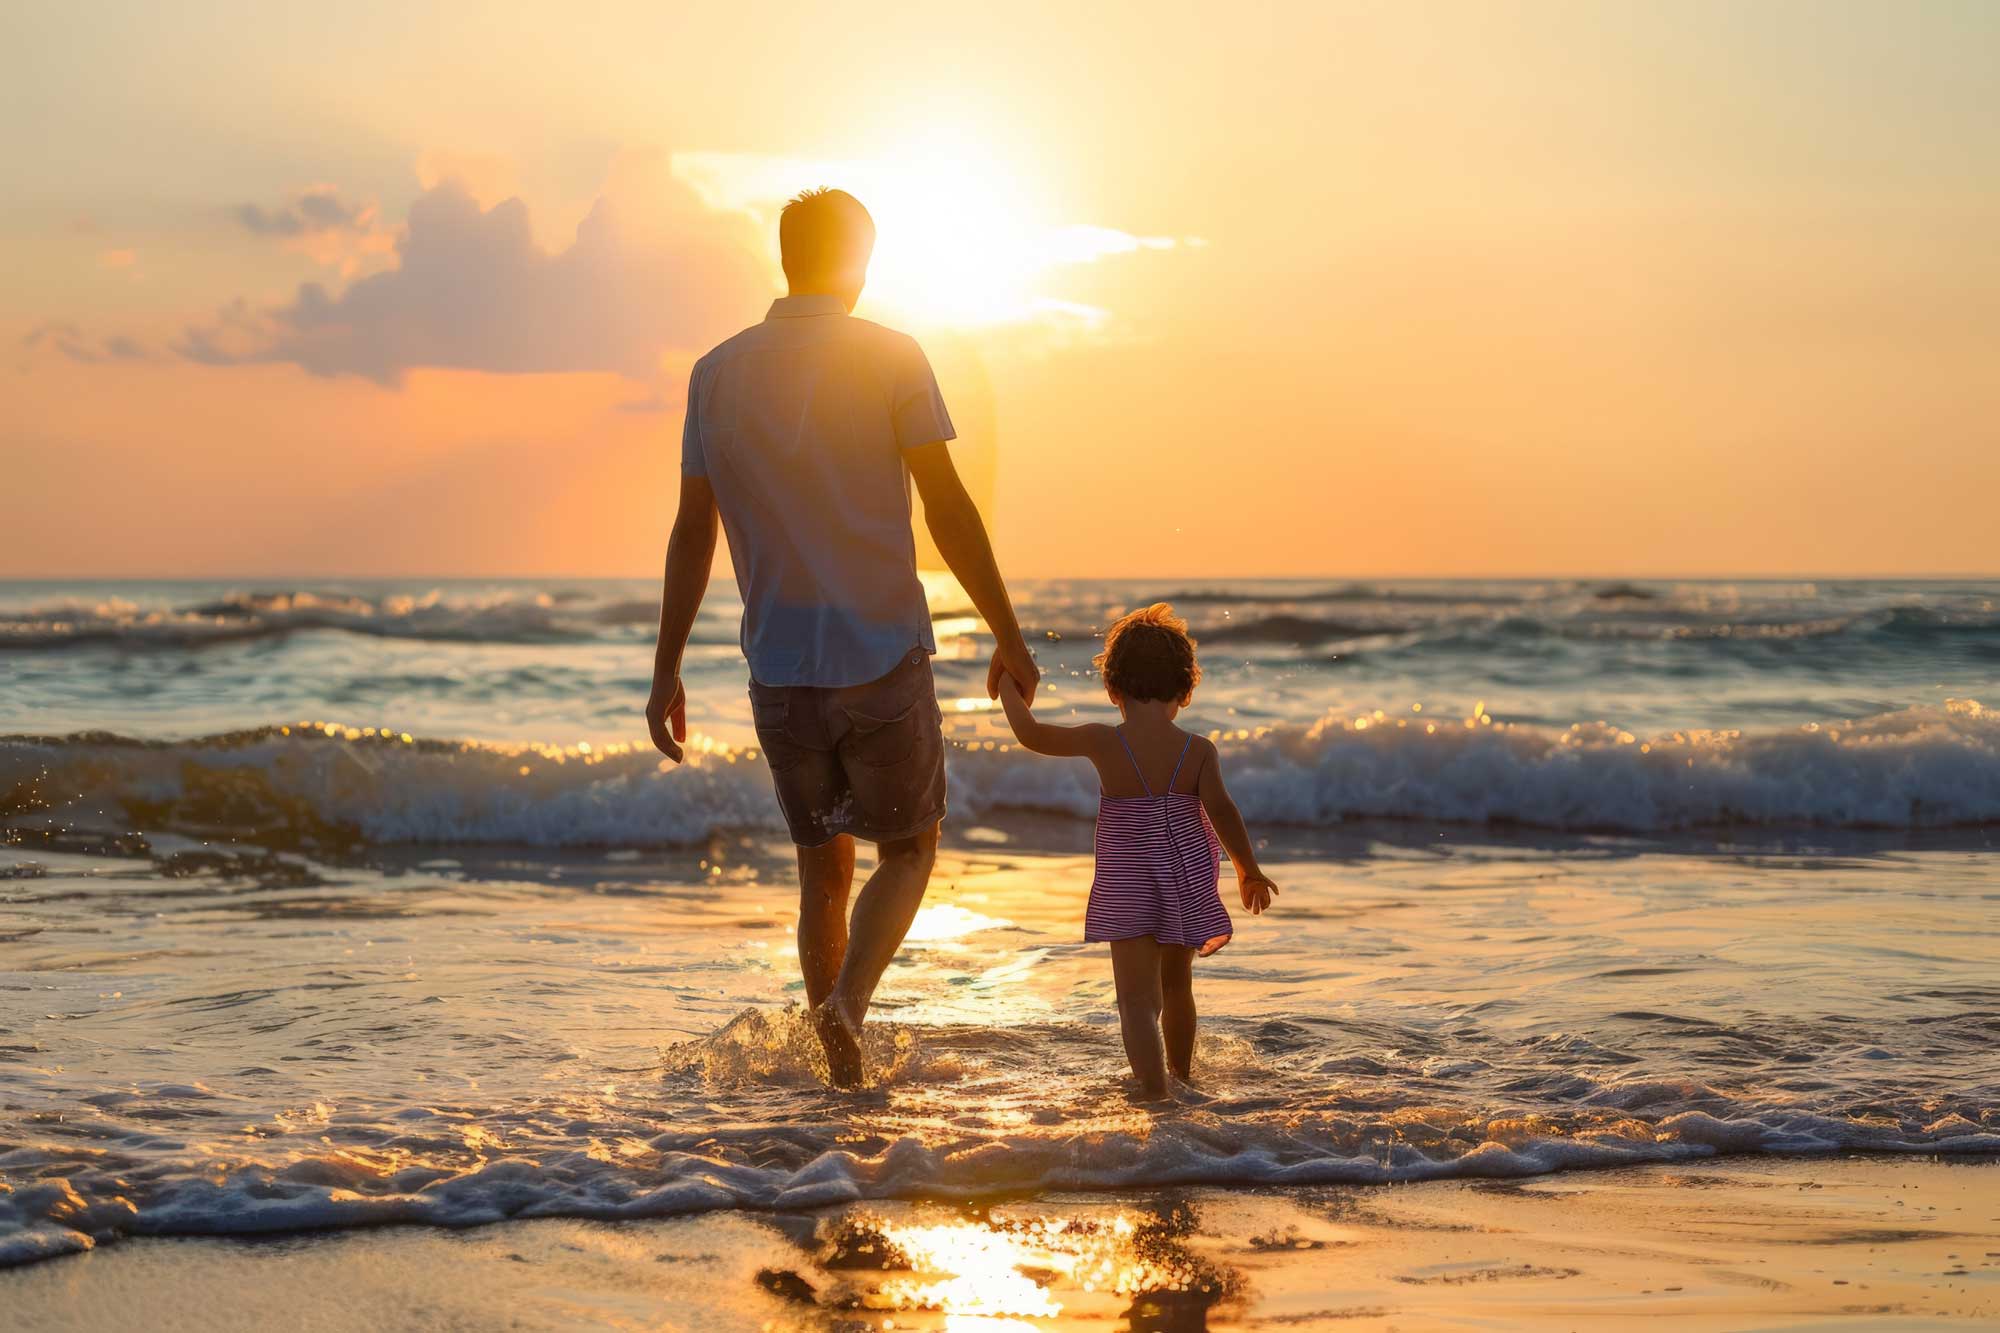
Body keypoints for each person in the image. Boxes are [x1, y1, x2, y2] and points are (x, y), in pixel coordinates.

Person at [646, 187, 1039, 1087]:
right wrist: (1007, 631)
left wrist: (667, 666)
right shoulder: (891, 356)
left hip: (778, 667)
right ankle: (846, 1009)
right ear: (859, 261)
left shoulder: (716, 371)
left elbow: (691, 529)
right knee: (908, 851)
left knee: (821, 869)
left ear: (787, 260)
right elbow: (945, 503)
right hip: (880, 656)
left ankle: (841, 1074)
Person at [995, 603, 1277, 1100]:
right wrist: (1247, 869)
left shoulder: (1104, 742)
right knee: (1176, 988)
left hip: (1128, 880)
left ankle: (1155, 1092)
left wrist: (1007, 688)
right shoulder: (1198, 750)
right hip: (1187, 872)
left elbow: (1032, 735)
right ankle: (1182, 1077)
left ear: (1112, 689)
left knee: (1135, 1000)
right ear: (1186, 691)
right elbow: (1223, 811)